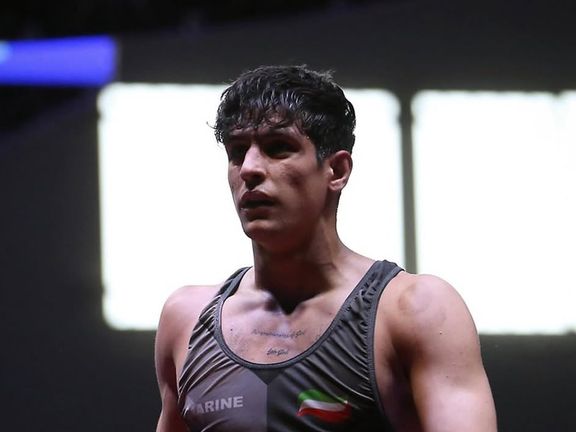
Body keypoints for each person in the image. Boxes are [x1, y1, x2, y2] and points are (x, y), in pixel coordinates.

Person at [154, 65, 497, 431]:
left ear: (337, 170)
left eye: (278, 148)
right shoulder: (187, 320)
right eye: (237, 152)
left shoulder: (414, 311)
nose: (249, 169)